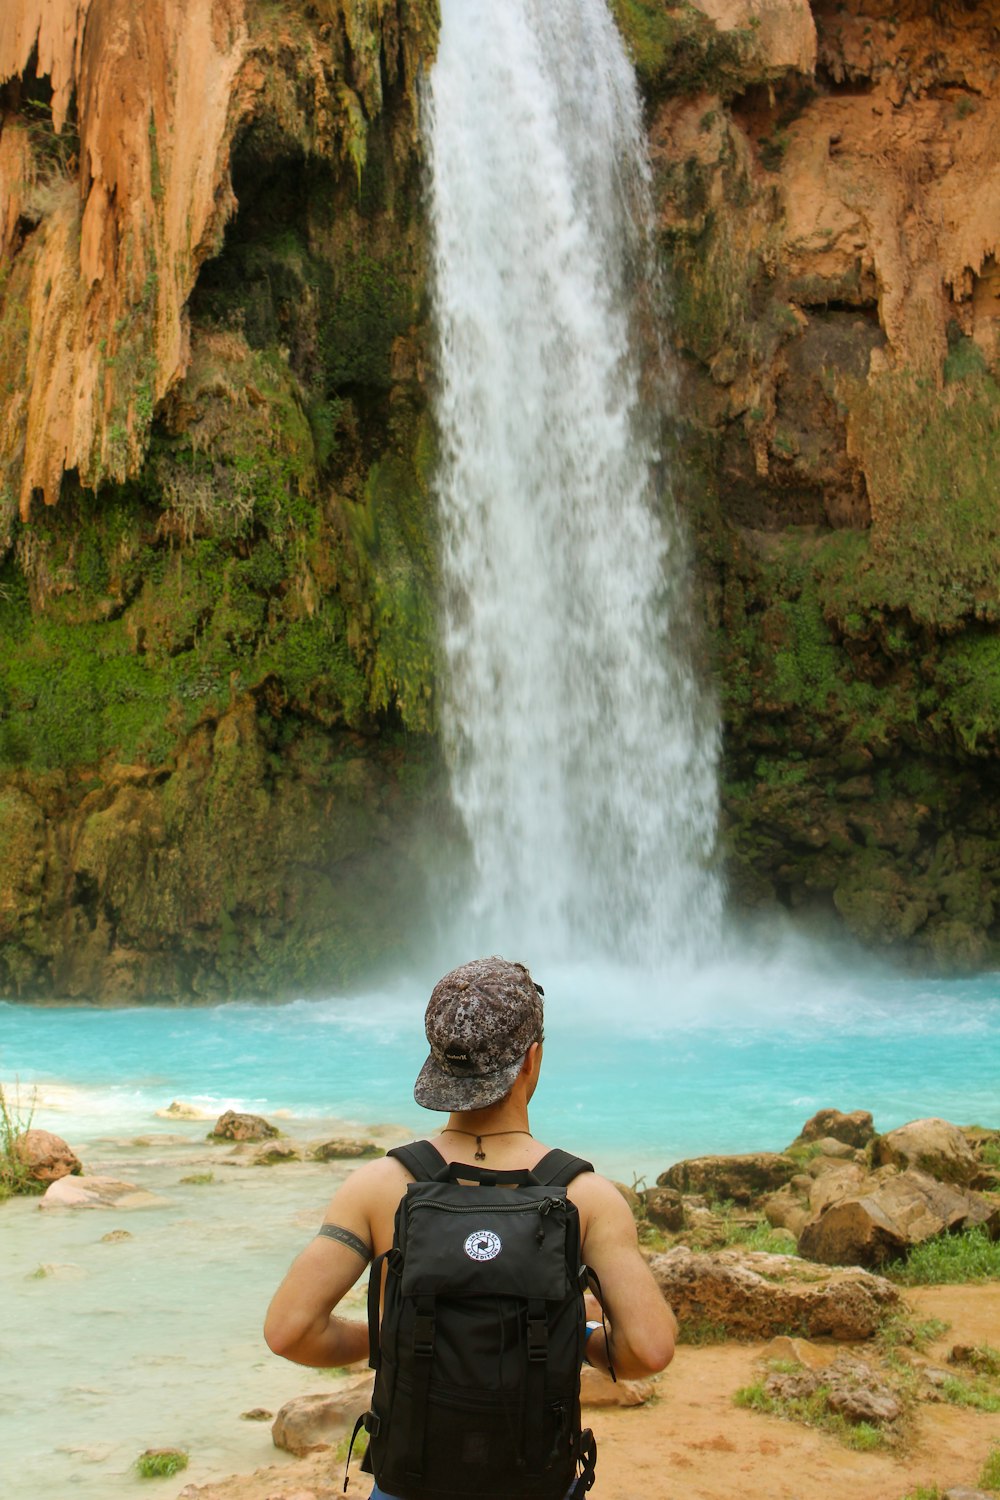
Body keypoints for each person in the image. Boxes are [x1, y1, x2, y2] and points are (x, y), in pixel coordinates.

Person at [265, 956, 677, 1496]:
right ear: (532, 1059)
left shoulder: (378, 1187)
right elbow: (648, 1351)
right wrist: (570, 1338)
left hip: (410, 1481)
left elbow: (289, 1330)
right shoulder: (586, 1197)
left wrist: (398, 1341)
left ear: (436, 1061)